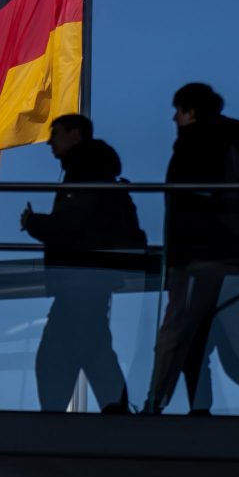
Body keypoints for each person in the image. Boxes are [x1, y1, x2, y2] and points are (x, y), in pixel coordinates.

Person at [143, 83, 239, 417]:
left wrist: (178, 261)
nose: (174, 118)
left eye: (179, 110)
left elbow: (184, 211)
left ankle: (162, 405)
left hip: (200, 259)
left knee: (182, 335)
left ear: (191, 112)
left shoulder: (191, 148)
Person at [21, 114, 146, 414]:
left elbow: (72, 226)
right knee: (90, 347)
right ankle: (113, 412)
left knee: (60, 353)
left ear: (75, 134)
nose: (50, 141)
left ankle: (61, 419)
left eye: (56, 133)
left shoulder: (84, 170)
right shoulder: (91, 169)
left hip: (81, 279)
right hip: (90, 278)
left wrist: (34, 222)